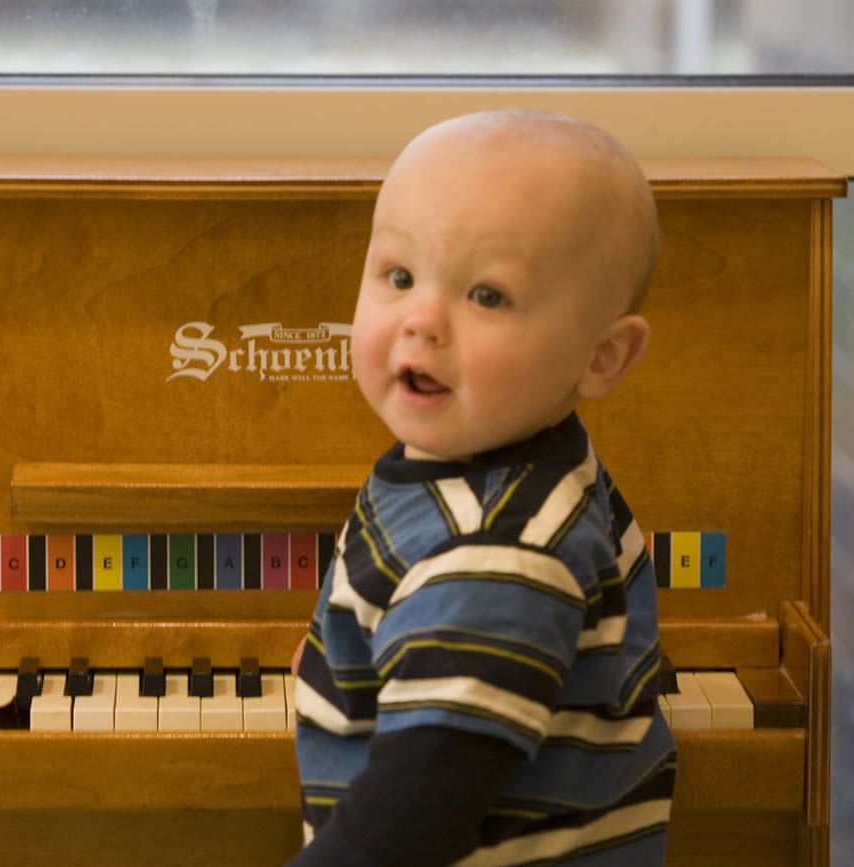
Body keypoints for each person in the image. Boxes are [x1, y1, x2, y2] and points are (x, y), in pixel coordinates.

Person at [288, 109, 677, 867]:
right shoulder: (513, 454)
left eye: (487, 296)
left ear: (602, 355)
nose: (421, 321)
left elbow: (412, 815)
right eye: (399, 276)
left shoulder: (496, 550)